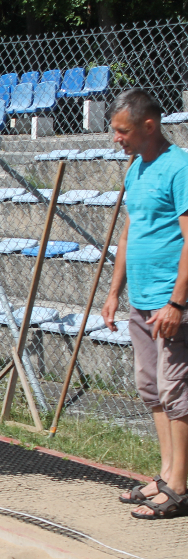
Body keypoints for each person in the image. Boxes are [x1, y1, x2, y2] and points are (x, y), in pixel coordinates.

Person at [102, 88, 188, 520]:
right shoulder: (136, 169)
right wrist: (115, 292)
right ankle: (165, 473)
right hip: (140, 300)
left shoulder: (180, 167)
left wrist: (177, 302)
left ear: (148, 126)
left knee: (177, 393)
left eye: (123, 131)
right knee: (151, 389)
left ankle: (179, 486)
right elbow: (127, 234)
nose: (117, 138)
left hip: (170, 305)